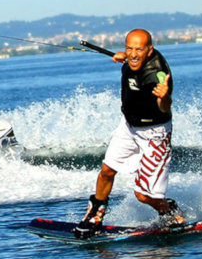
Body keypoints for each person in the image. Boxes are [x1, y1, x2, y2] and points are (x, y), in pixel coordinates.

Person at [74, 28, 185, 239]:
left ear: (150, 50)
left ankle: (168, 210)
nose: (133, 54)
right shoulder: (132, 56)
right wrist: (122, 55)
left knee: (143, 195)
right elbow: (131, 55)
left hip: (154, 133)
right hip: (128, 125)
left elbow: (165, 107)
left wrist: (164, 97)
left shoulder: (157, 75)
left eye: (139, 50)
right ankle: (96, 214)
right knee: (107, 170)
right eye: (129, 48)